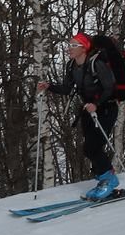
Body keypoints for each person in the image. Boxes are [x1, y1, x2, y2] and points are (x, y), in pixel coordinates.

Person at [38, 33, 119, 201]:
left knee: (93, 147)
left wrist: (96, 104)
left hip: (106, 109)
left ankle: (109, 180)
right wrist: (49, 86)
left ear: (84, 48)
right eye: (69, 45)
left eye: (74, 45)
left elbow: (110, 88)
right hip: (87, 111)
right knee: (88, 149)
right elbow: (67, 89)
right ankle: (104, 181)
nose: (69, 49)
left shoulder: (97, 63)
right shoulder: (72, 66)